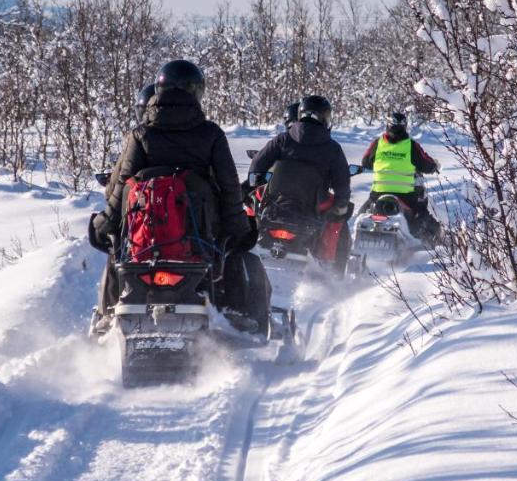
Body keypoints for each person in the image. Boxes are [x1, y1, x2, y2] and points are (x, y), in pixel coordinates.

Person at [90, 60, 266, 331]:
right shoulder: (211, 134)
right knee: (234, 251)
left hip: (146, 236)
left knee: (118, 250)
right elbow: (229, 187)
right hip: (200, 235)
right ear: (196, 93)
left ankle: (109, 314)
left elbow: (123, 185)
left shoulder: (141, 134)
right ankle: (233, 311)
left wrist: (106, 222)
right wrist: (238, 226)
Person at [246, 95, 353, 273]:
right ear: (326, 118)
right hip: (312, 210)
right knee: (341, 218)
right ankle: (334, 269)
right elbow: (342, 181)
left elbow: (258, 164)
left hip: (274, 205)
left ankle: (242, 248)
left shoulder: (283, 139)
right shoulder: (332, 148)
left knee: (249, 203)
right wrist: (341, 204)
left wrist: (255, 181)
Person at [359, 112, 441, 242]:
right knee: (422, 214)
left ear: (388, 125)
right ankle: (433, 244)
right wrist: (434, 166)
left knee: (360, 216)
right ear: (405, 126)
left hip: (378, 194)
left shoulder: (378, 144)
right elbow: (426, 163)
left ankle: (351, 245)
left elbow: (366, 162)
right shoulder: (411, 146)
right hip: (405, 197)